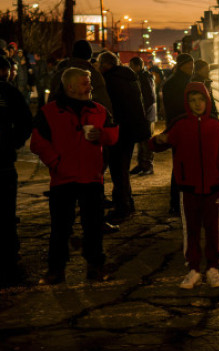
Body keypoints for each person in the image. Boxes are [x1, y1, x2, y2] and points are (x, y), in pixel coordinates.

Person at [31, 67, 119, 285]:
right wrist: (56, 162)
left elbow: (114, 134)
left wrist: (102, 135)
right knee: (60, 227)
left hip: (91, 176)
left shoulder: (99, 110)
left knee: (94, 225)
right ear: (69, 86)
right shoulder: (50, 112)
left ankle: (95, 267)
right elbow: (37, 142)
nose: (89, 86)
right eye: (84, 82)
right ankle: (56, 270)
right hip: (63, 177)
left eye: (89, 81)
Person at [150, 82, 219, 288]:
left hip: (212, 188)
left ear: (207, 100)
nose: (197, 104)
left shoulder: (215, 124)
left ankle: (213, 268)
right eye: (192, 100)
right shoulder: (180, 125)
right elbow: (158, 143)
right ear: (187, 103)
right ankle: (193, 269)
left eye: (201, 99)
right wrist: (159, 140)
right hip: (188, 189)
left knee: (213, 229)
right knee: (191, 230)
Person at [97, 51, 149, 222]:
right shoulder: (129, 77)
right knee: (123, 169)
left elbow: (111, 108)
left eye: (100, 64)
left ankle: (123, 206)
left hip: (119, 130)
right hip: (132, 129)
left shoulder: (110, 81)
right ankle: (128, 202)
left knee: (118, 171)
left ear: (105, 65)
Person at [0, 56, 33, 285]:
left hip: (3, 161)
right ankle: (9, 257)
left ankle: (10, 256)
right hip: (3, 162)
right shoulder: (9, 94)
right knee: (6, 212)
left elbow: (25, 122)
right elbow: (25, 122)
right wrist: (14, 142)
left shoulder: (9, 94)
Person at [161, 53, 195, 215]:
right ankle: (176, 203)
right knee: (181, 167)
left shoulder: (179, 82)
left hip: (179, 128)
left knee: (183, 166)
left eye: (192, 65)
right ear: (181, 66)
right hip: (181, 129)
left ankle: (179, 202)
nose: (191, 68)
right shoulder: (179, 84)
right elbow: (179, 108)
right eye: (189, 65)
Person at [49, 39, 112, 112]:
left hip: (60, 119)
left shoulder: (59, 75)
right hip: (88, 119)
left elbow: (51, 102)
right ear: (89, 55)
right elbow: (103, 102)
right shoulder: (94, 76)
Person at [128, 56, 156, 175]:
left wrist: (142, 111)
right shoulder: (143, 76)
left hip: (146, 114)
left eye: (132, 66)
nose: (130, 68)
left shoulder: (143, 77)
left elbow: (148, 97)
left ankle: (147, 165)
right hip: (145, 113)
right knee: (141, 139)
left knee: (145, 140)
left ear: (138, 66)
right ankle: (141, 164)